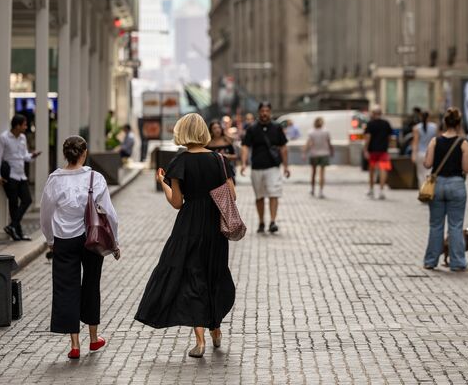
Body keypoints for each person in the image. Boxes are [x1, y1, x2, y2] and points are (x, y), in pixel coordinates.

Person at [135, 113, 236, 359]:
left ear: (182, 132)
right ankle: (216, 330)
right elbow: (231, 195)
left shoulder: (178, 162)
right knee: (213, 273)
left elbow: (178, 202)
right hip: (214, 224)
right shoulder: (219, 160)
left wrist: (163, 182)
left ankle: (199, 341)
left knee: (193, 277)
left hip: (189, 225)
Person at [40, 136, 120, 359]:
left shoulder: (55, 179)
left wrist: (50, 239)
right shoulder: (95, 177)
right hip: (91, 239)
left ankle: (74, 344)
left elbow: (45, 214)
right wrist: (115, 242)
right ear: (84, 153)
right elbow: (109, 213)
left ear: (65, 154)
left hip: (64, 240)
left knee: (67, 287)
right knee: (91, 284)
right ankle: (94, 339)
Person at [422, 108, 468, 271]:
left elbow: (428, 164)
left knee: (435, 225)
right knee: (455, 226)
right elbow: (467, 168)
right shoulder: (463, 143)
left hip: (437, 185)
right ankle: (457, 262)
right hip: (457, 185)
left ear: (444, 122)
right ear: (458, 123)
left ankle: (430, 261)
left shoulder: (435, 141)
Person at [241, 101, 290, 233]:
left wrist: (286, 166)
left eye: (267, 111)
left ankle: (273, 221)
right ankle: (261, 221)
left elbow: (283, 147)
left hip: (273, 166)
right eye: (262, 111)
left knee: (274, 193)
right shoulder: (252, 128)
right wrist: (244, 163)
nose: (264, 113)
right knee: (259, 196)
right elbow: (245, 146)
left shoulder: (277, 127)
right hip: (256, 167)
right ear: (259, 112)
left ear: (270, 112)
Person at [0, 115, 41, 241]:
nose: (26, 127)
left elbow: (24, 156)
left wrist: (32, 155)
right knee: (13, 204)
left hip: (21, 175)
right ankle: (18, 233)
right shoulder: (3, 138)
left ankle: (12, 226)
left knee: (27, 200)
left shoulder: (22, 138)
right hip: (10, 175)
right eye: (24, 125)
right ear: (17, 125)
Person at [363, 106, 393, 200]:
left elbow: (368, 138)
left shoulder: (370, 124)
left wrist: (365, 149)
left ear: (373, 113)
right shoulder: (386, 123)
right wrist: (388, 146)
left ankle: (371, 190)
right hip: (383, 150)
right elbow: (390, 137)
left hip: (373, 151)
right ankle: (381, 190)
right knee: (383, 169)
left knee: (372, 170)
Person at [303, 117, 333, 198]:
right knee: (322, 173)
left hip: (314, 154)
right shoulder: (326, 131)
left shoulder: (311, 132)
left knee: (313, 173)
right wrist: (331, 151)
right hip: (324, 153)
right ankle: (321, 191)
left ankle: (312, 190)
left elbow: (308, 144)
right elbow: (329, 142)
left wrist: (304, 153)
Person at [412, 111, 438, 184]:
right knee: (430, 172)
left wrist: (413, 154)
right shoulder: (435, 127)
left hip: (420, 153)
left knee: (420, 174)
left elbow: (415, 142)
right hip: (432, 153)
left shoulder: (416, 128)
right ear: (429, 117)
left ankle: (422, 190)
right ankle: (429, 189)